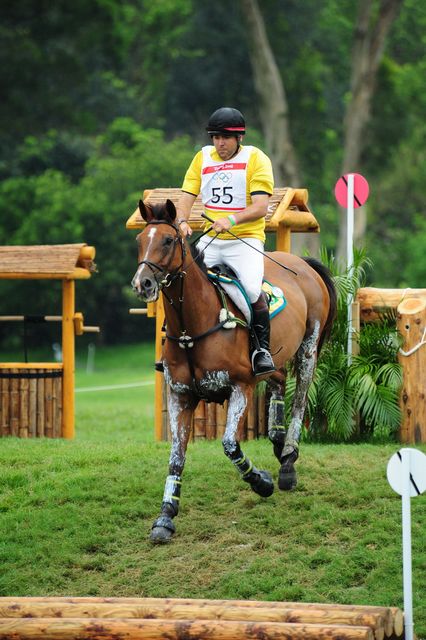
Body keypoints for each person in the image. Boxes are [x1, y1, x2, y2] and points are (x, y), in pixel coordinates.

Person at [176, 106, 275, 376]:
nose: (220, 143)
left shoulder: (256, 158)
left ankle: (261, 350)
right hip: (211, 239)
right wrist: (182, 221)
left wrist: (230, 220)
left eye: (226, 138)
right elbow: (186, 196)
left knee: (251, 291)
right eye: (216, 137)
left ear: (239, 138)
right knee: (181, 282)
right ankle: (175, 347)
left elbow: (261, 207)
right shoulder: (202, 157)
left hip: (244, 240)